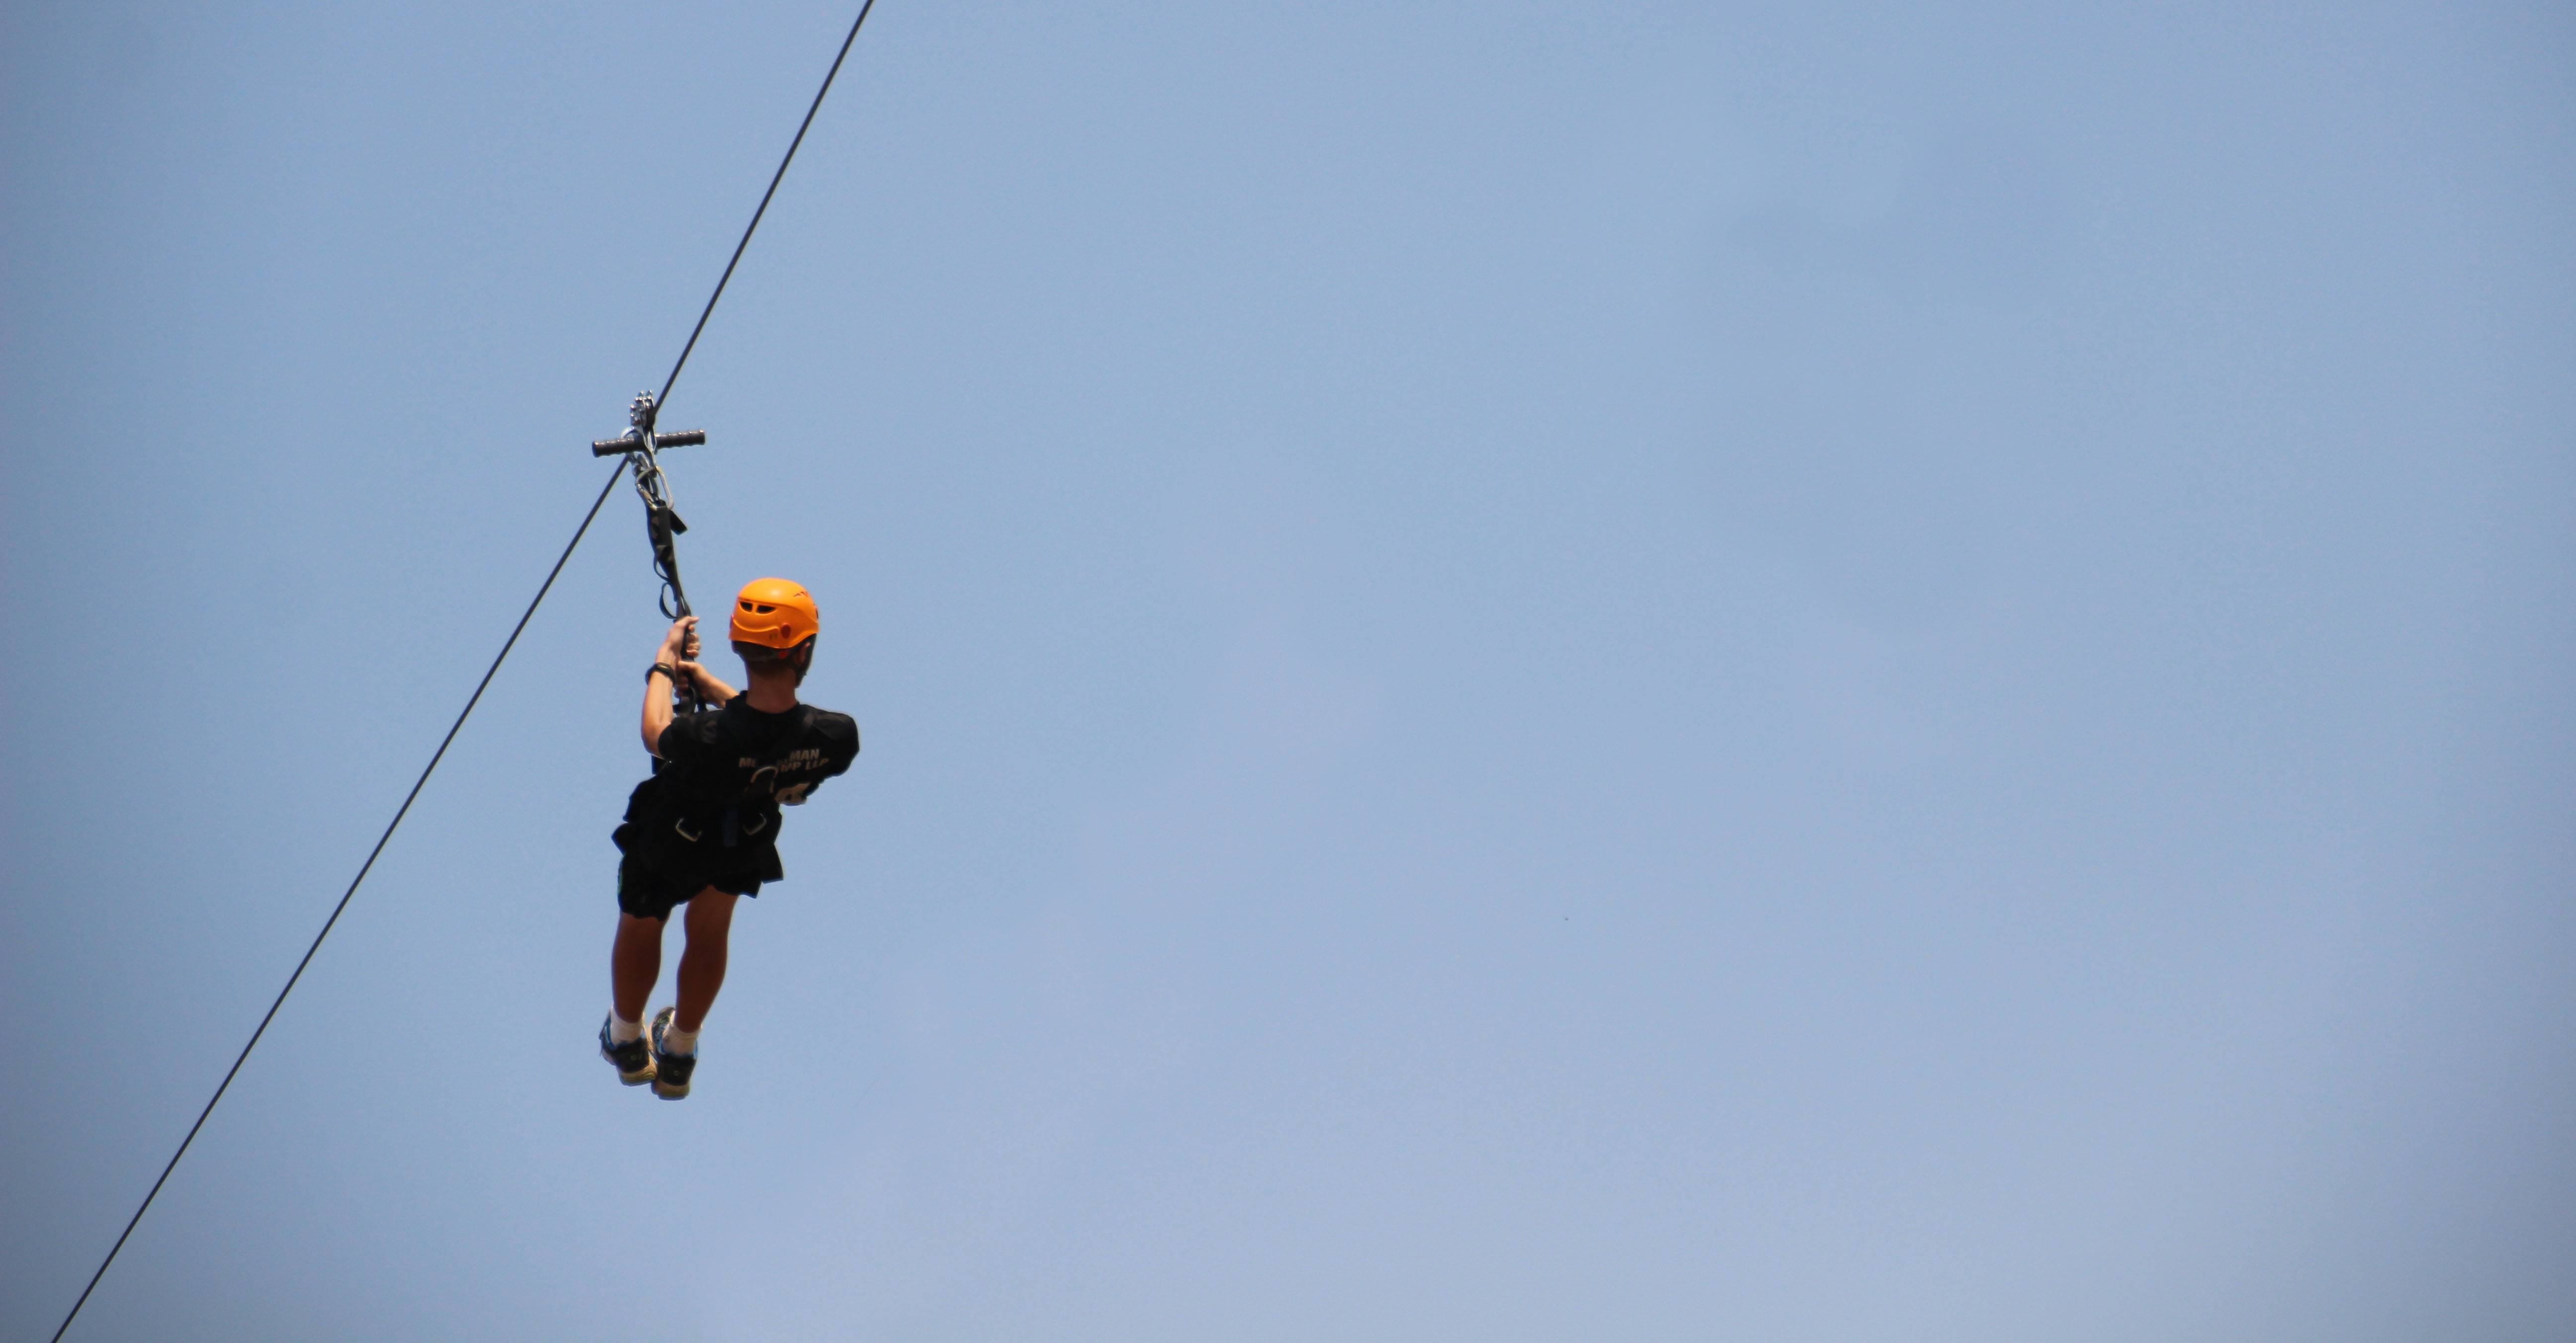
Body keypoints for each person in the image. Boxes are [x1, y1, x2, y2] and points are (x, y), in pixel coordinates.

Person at [597, 577, 860, 1099]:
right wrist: (709, 685)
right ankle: (679, 1050)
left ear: (741, 645)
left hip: (672, 837)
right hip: (742, 839)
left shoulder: (706, 737)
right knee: (710, 930)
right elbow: (767, 728)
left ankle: (627, 1038)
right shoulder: (834, 735)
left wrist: (665, 665)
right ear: (803, 651)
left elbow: (656, 732)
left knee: (644, 921)